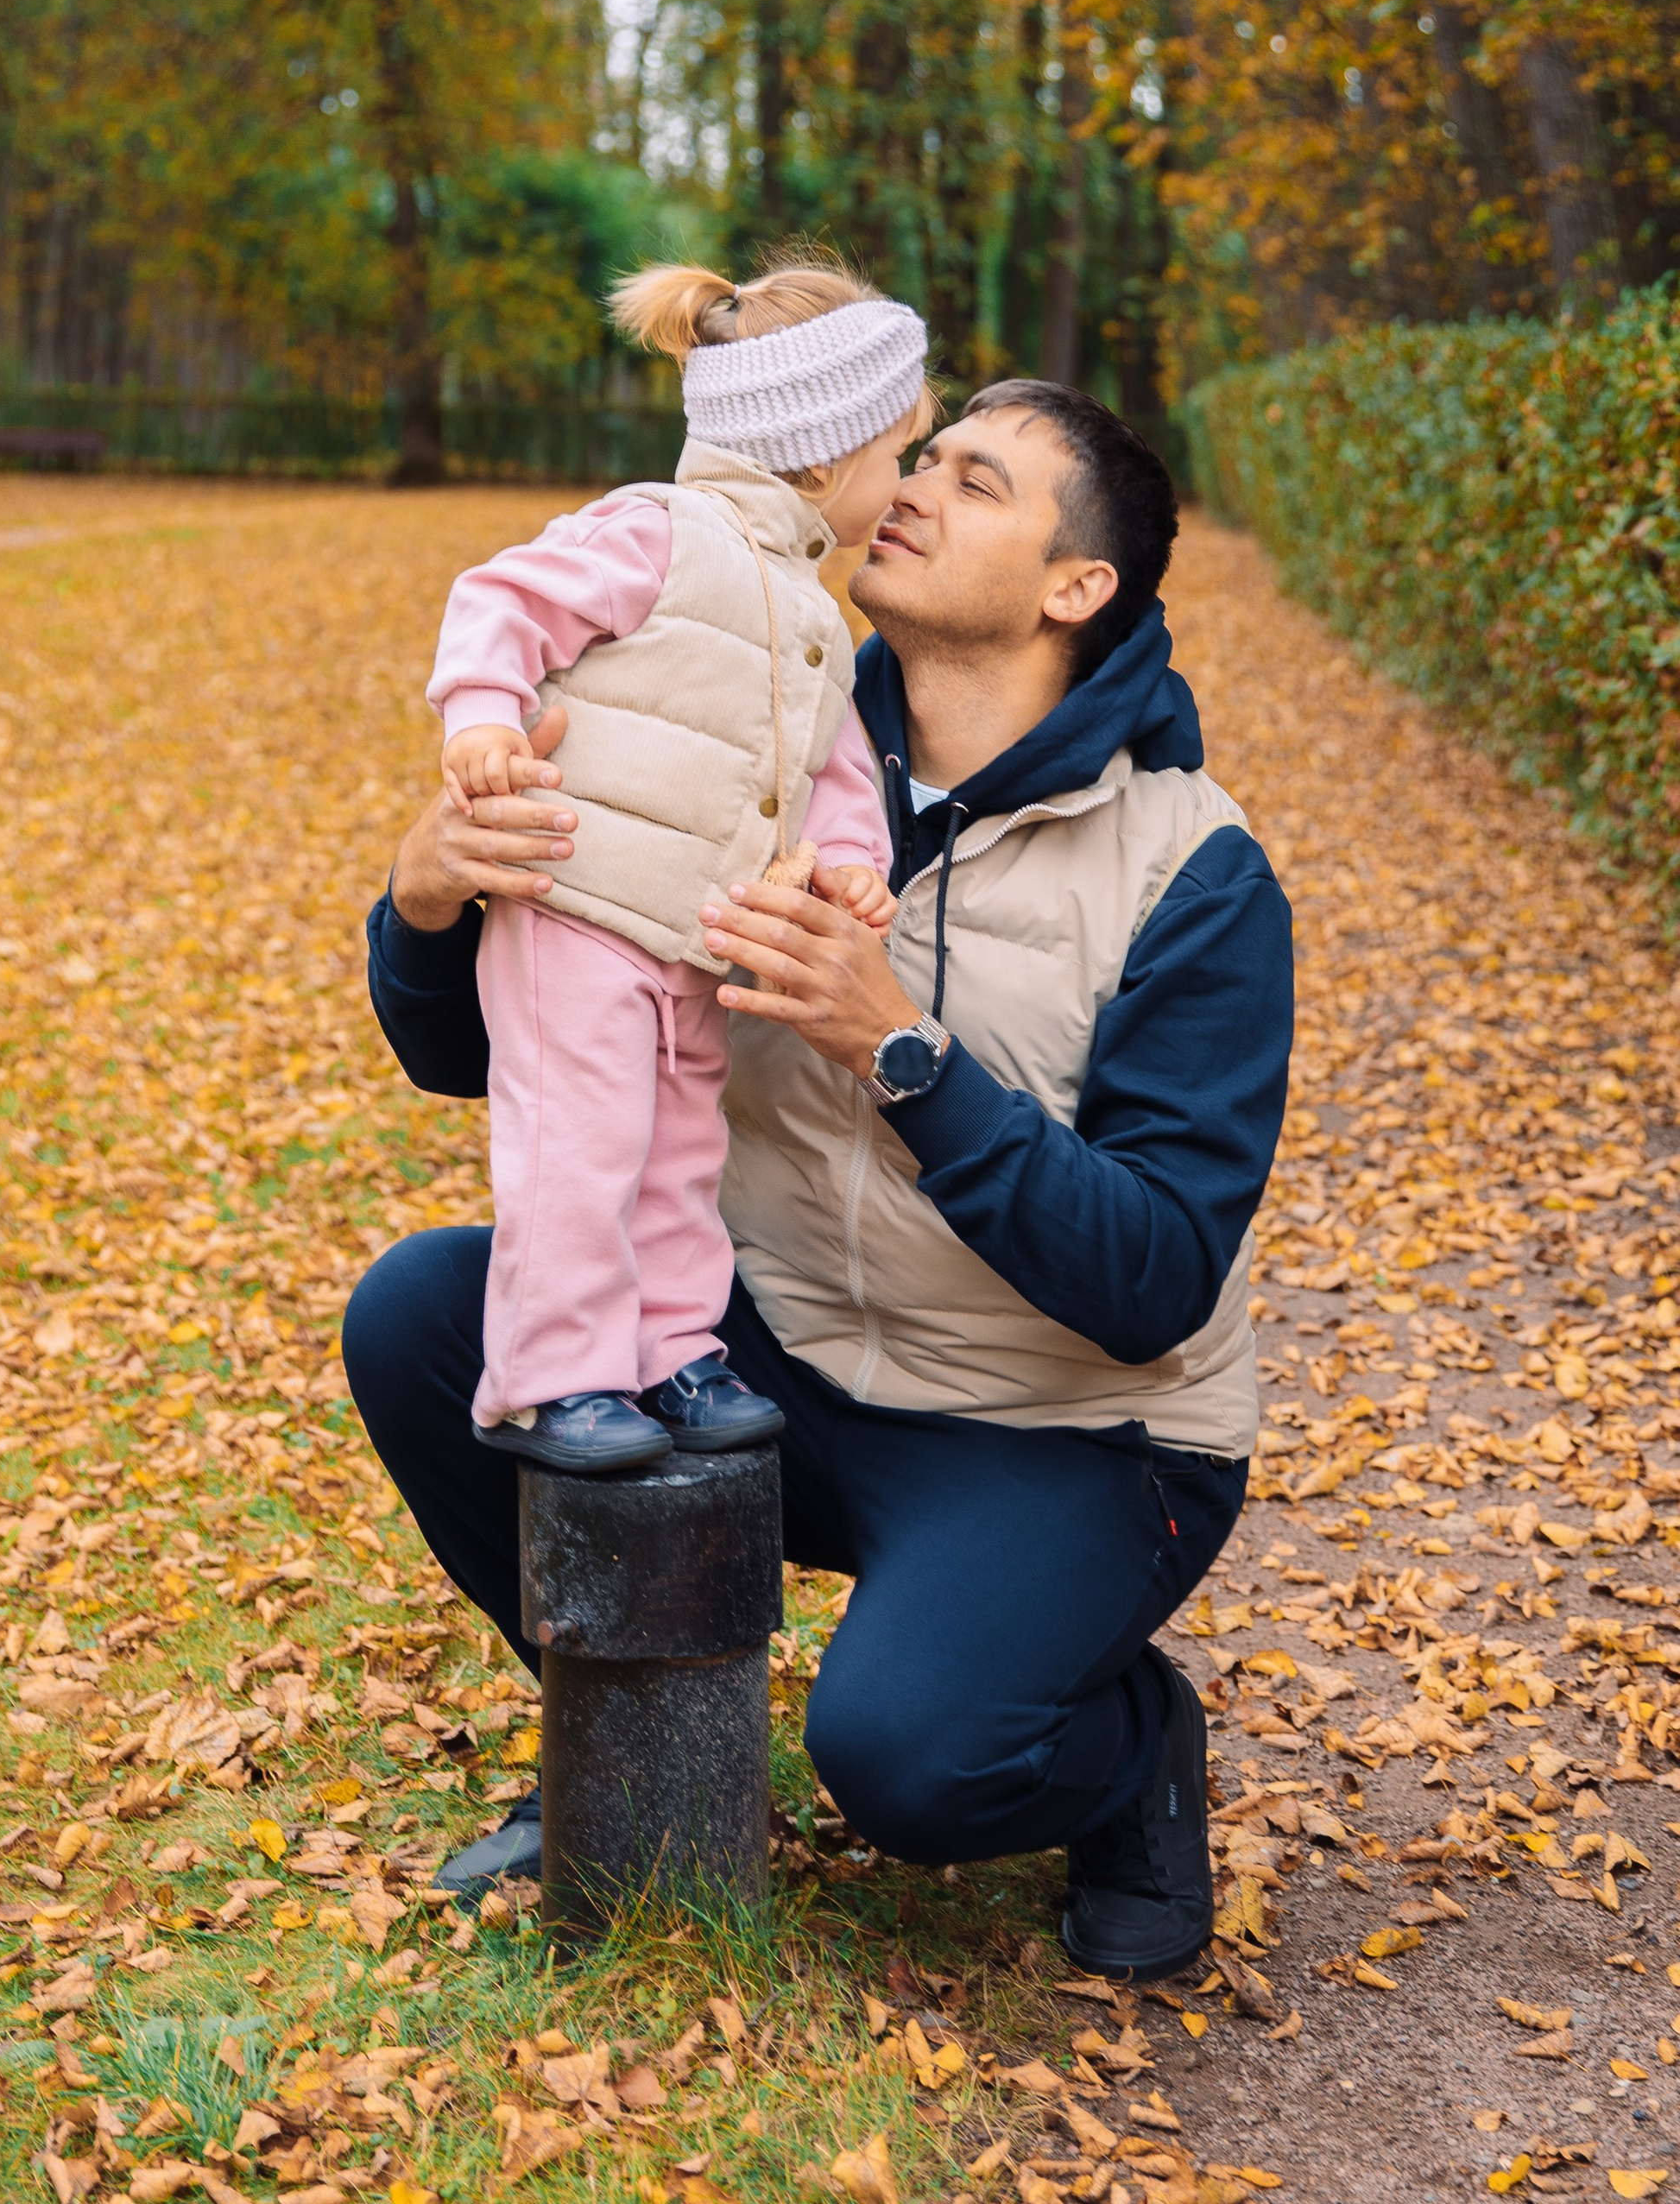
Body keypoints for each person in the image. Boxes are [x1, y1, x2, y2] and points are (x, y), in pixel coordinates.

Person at [344, 378, 1292, 1981]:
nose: (912, 485)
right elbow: (483, 1056)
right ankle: (633, 1745)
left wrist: (904, 1052)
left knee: (913, 1763)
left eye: (977, 481)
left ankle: (1130, 1750)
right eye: (919, 456)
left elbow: (1152, 1280)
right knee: (427, 1319)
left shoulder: (1190, 870)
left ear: (1079, 587)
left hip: (1066, 1432)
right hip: (773, 1351)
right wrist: (428, 897)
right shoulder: (755, 739)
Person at [425, 257, 933, 1477]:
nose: (908, 482)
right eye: (901, 453)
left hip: (689, 941)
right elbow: (502, 600)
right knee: (580, 1147)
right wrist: (484, 718)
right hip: (579, 910)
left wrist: (854, 869)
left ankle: (672, 1350)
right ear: (821, 453)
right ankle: (559, 1376)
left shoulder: (810, 608)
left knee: (677, 1151)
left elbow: (831, 769)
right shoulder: (656, 531)